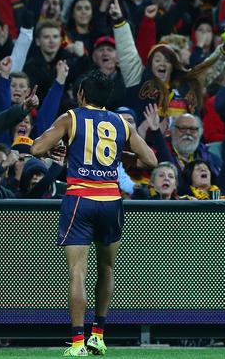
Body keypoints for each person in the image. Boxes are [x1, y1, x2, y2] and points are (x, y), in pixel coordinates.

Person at [30, 70, 157, 356]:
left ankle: (77, 343)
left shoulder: (71, 117)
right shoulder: (121, 122)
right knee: (107, 268)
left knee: (77, 272)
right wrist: (118, 153)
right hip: (111, 200)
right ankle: (98, 336)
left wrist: (60, 146)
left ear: (81, 95)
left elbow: (38, 147)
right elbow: (150, 159)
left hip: (80, 199)